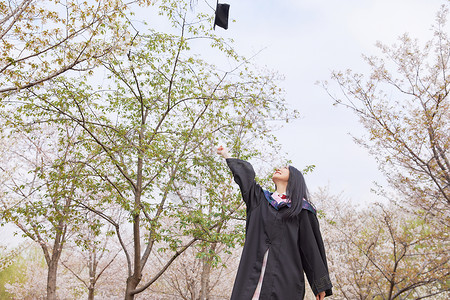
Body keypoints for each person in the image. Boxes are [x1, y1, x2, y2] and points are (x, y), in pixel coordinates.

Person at [217, 146, 332, 300]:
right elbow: (246, 180)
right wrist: (227, 155)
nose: (279, 168)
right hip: (252, 275)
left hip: (284, 280)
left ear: (295, 178)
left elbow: (311, 247)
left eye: (285, 168)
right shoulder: (260, 200)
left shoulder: (302, 209)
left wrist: (320, 284)